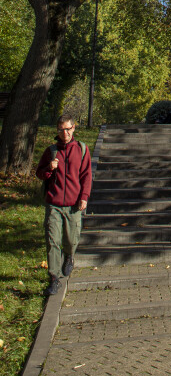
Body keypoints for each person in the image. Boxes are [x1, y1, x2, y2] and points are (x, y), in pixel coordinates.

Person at [35, 115, 91, 296]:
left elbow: (86, 176)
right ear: (57, 131)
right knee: (52, 241)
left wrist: (84, 197)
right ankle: (54, 278)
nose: (64, 133)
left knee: (71, 239)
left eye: (67, 129)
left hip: (74, 205)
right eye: (60, 130)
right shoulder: (51, 151)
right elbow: (40, 173)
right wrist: (49, 169)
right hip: (54, 204)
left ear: (74, 128)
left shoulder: (81, 149)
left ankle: (69, 256)